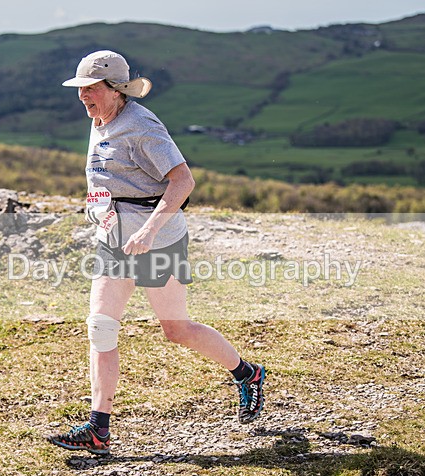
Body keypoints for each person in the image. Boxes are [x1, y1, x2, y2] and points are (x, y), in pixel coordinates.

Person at [47, 50, 266, 455]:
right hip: (113, 241)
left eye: (91, 88)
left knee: (176, 330)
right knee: (100, 327)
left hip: (158, 241)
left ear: (116, 89)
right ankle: (98, 429)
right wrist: (98, 209)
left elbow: (183, 181)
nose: (83, 96)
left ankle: (247, 374)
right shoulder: (100, 118)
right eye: (80, 89)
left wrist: (148, 231)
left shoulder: (141, 125)